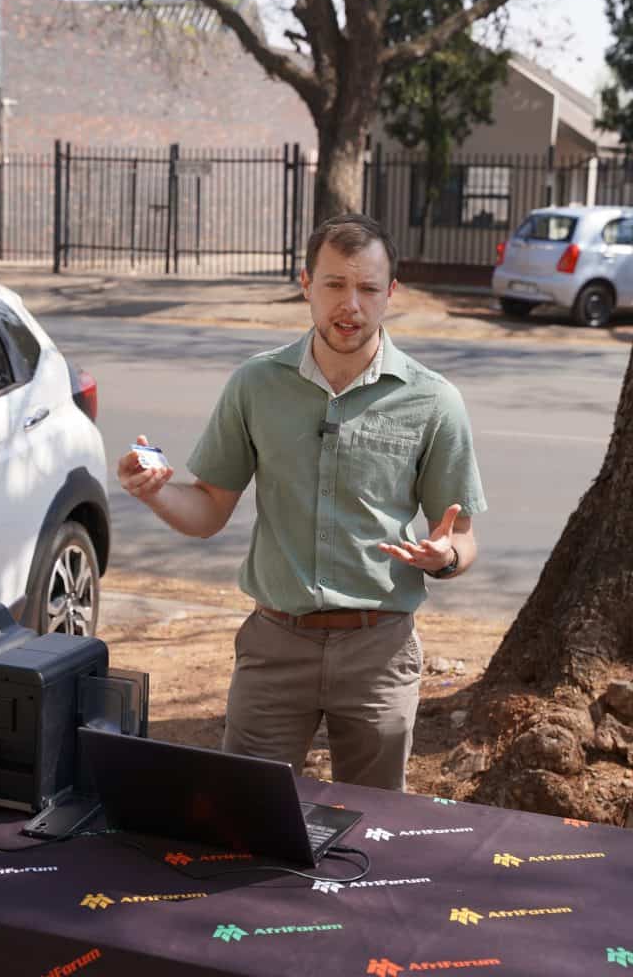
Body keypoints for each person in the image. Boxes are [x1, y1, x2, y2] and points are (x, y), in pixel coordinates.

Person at [117, 214, 486, 790]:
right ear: (306, 284)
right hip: (274, 645)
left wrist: (445, 558)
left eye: (368, 288)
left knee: (372, 825)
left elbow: (461, 536)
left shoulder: (435, 401)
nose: (351, 306)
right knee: (247, 817)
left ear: (391, 293)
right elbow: (209, 509)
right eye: (335, 284)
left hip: (379, 649)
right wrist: (157, 491)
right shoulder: (255, 384)